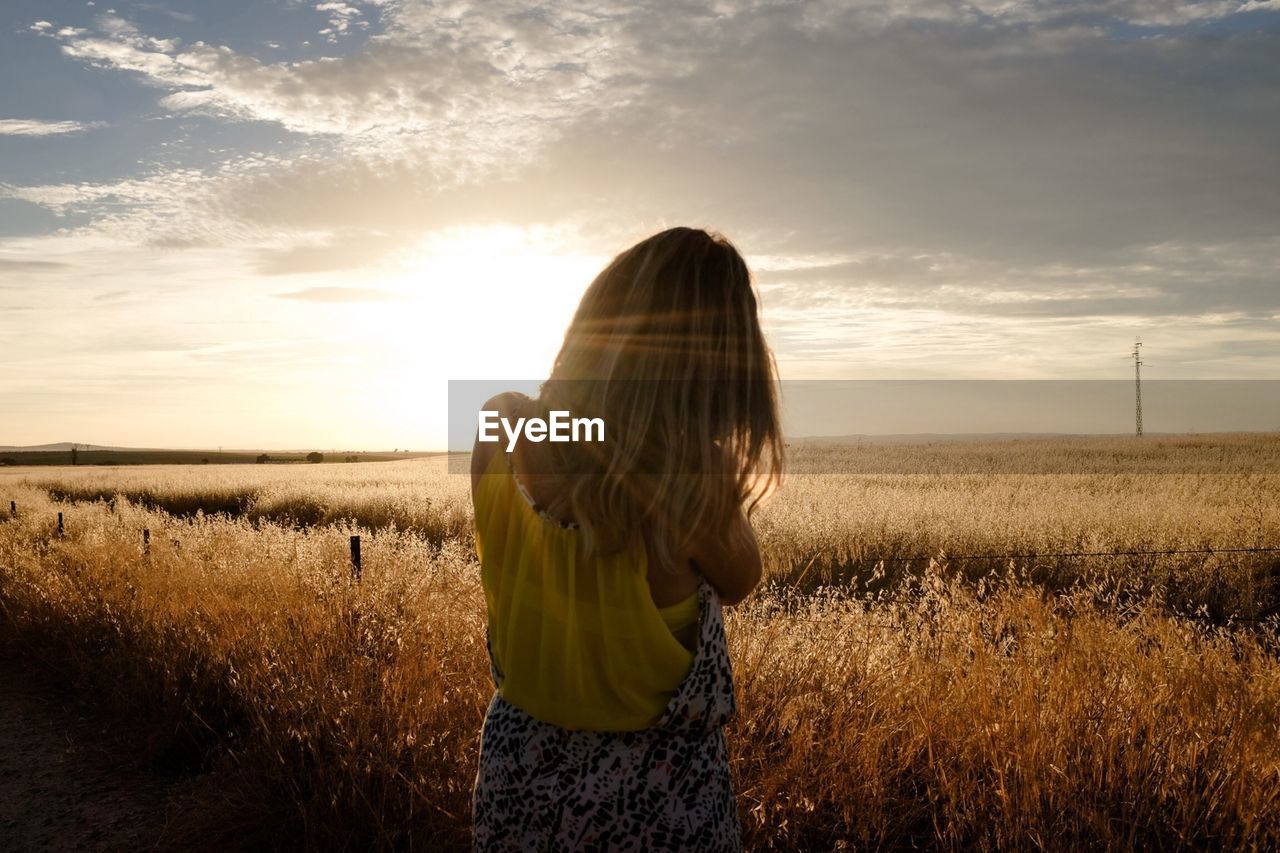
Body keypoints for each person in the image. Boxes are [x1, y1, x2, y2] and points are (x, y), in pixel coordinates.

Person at [469, 226, 784, 851]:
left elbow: (570, 435)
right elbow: (744, 579)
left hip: (515, 771)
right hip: (654, 796)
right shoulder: (690, 487)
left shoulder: (497, 426)